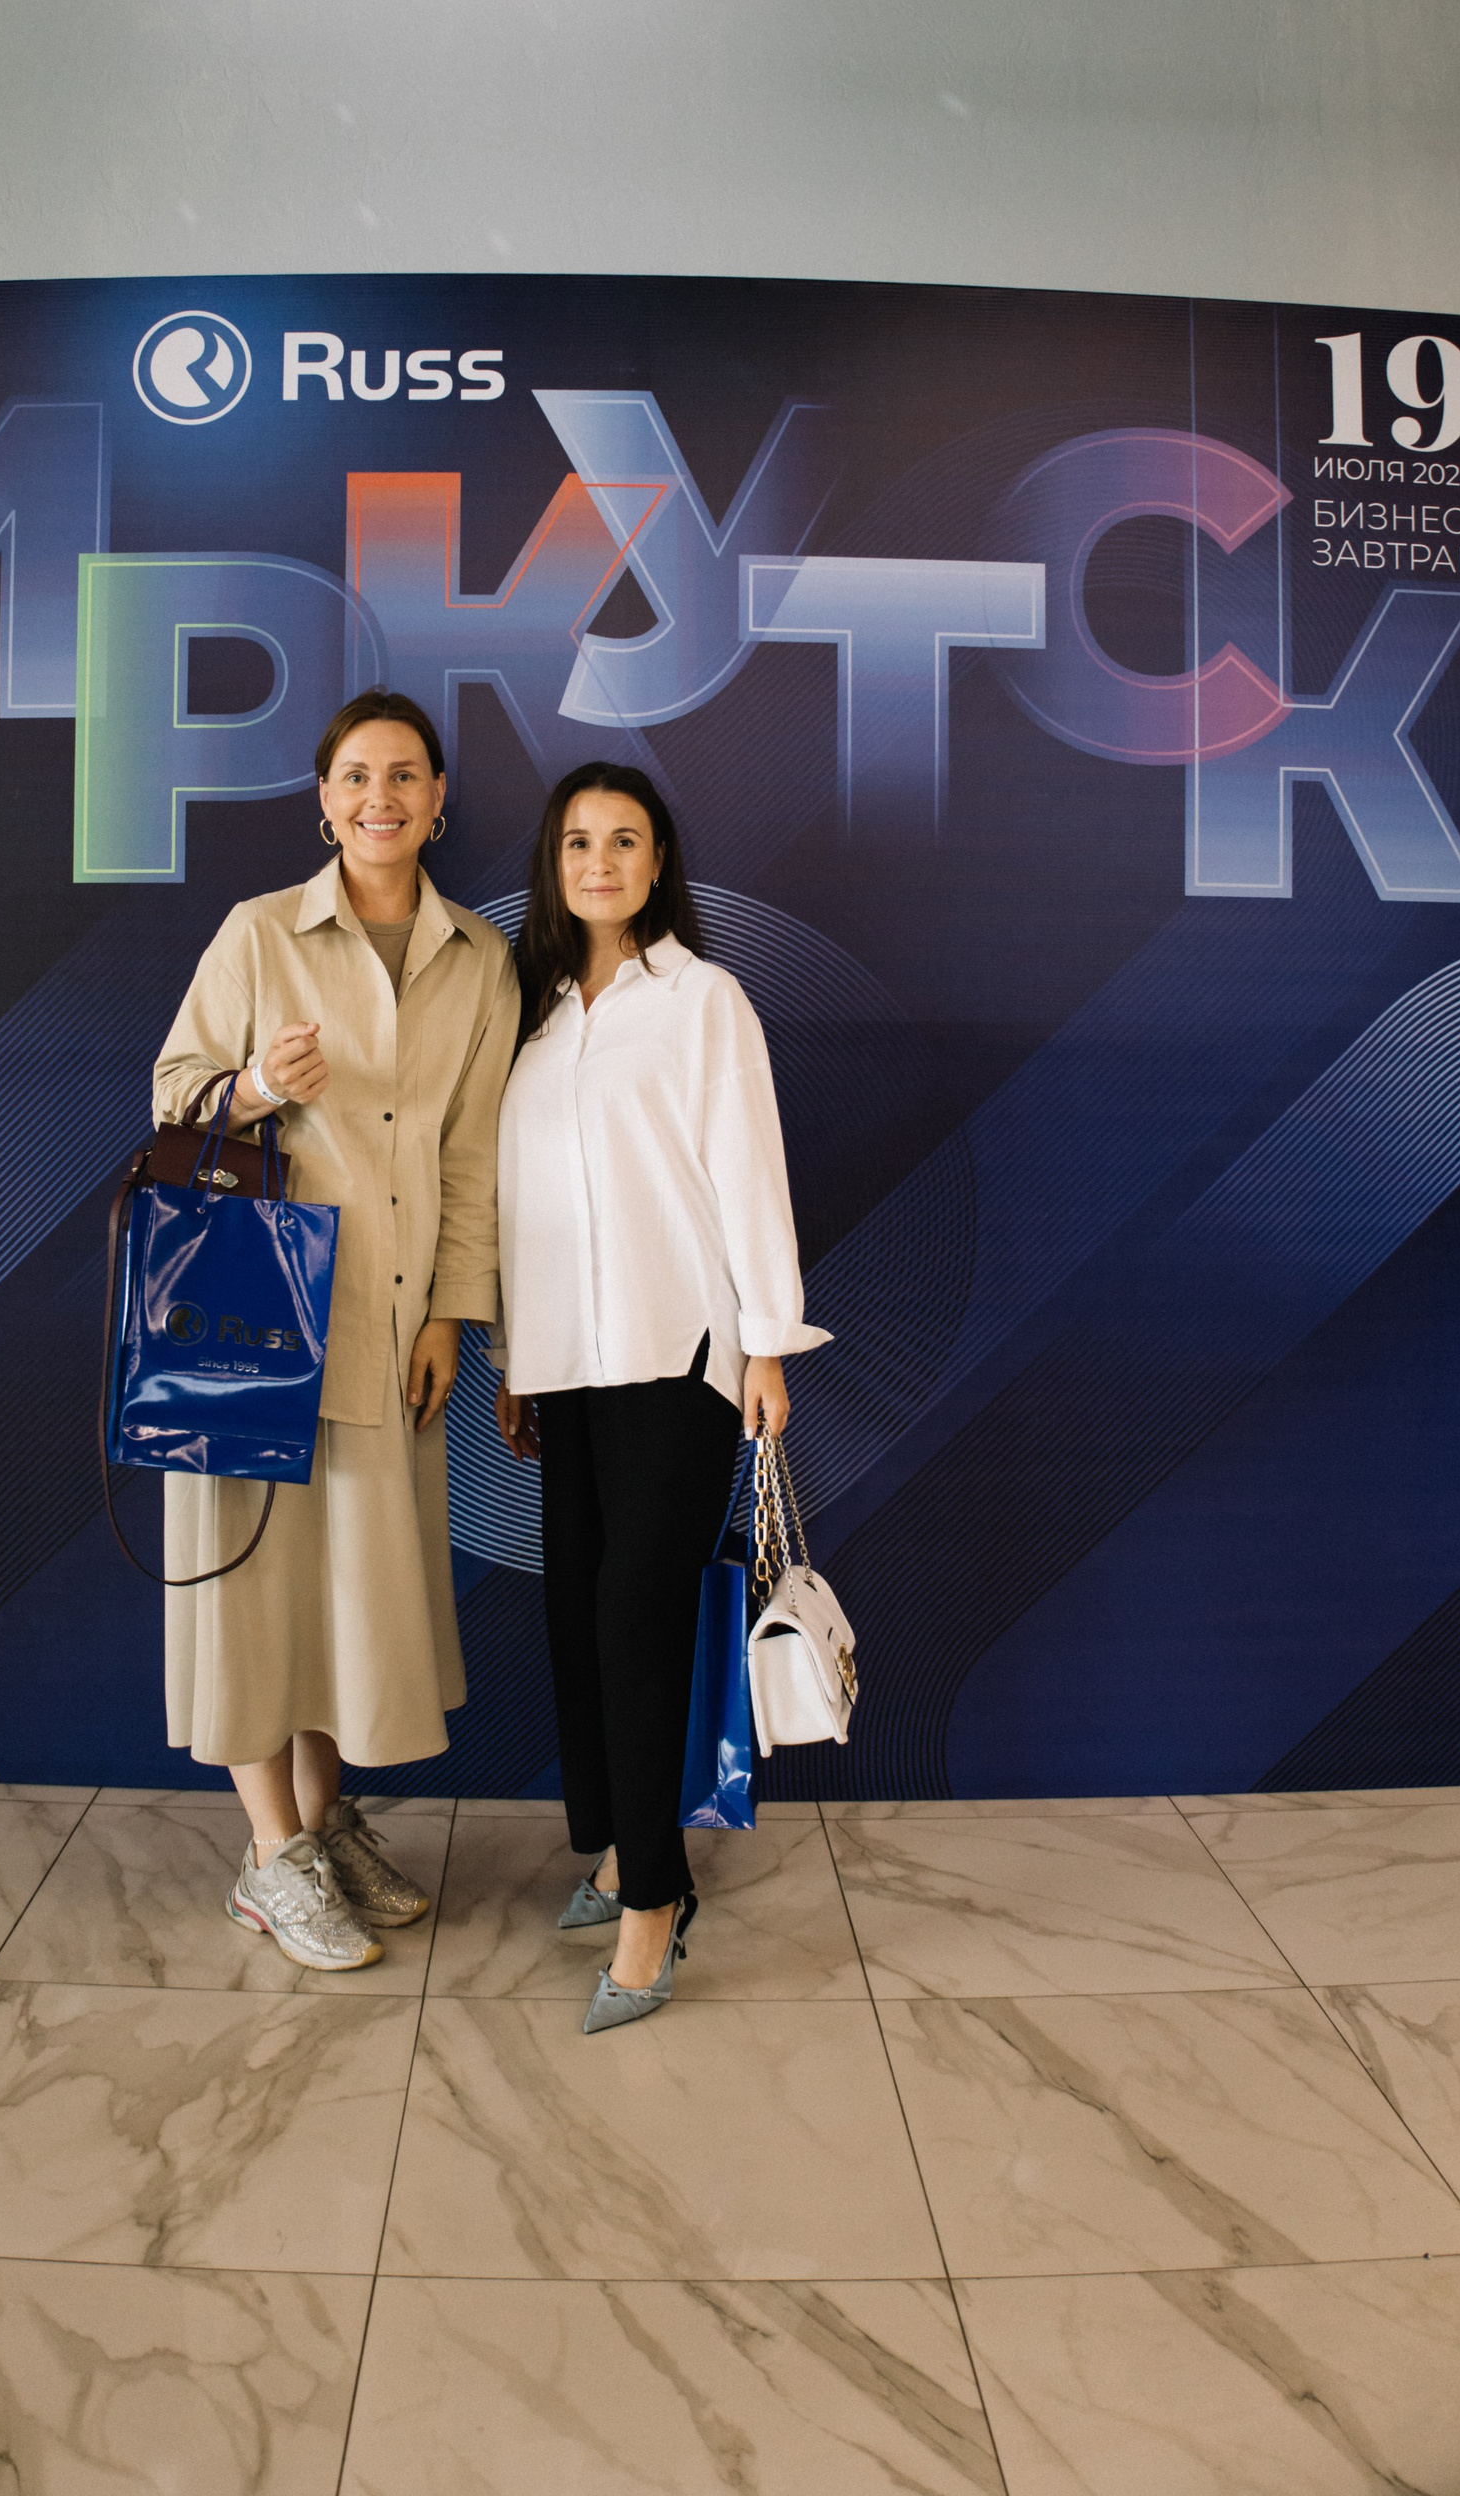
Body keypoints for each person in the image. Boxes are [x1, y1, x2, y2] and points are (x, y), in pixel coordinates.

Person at [153, 692, 518, 1971]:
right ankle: (269, 1858)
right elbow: (170, 1098)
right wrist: (257, 1087)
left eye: (405, 775)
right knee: (253, 1585)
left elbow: (473, 1158)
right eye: (356, 775)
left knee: (345, 1594)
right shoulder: (259, 934)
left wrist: (454, 1314)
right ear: (323, 799)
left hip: (390, 1317)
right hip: (252, 1316)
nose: (381, 797)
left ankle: (319, 1823)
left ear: (437, 799)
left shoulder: (479, 960)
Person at [493, 763, 829, 2031]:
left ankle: (653, 1904)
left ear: (658, 861)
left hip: (680, 1358)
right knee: (583, 1623)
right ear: (554, 863)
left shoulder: (701, 1000)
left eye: (624, 840)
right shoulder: (529, 1015)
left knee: (637, 1623)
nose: (600, 862)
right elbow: (518, 1203)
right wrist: (516, 1356)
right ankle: (623, 1850)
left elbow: (750, 1172)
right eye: (578, 841)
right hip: (565, 1371)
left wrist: (766, 1345)